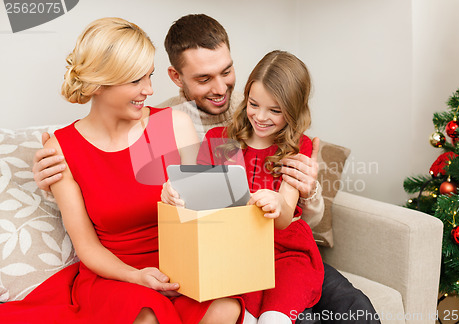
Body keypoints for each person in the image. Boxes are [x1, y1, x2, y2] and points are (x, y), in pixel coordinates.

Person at [32, 14, 380, 324]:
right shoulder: (68, 148)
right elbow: (91, 241)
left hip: (259, 248)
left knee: (354, 308)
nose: (220, 88)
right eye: (203, 78)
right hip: (143, 268)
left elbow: (221, 206)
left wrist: (311, 190)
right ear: (178, 78)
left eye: (226, 72)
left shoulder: (237, 110)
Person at [1, 17, 243, 324]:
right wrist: (136, 276)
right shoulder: (61, 149)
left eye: (150, 76)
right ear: (99, 84)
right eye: (135, 81)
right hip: (116, 275)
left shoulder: (174, 124)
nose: (149, 90)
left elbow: (206, 216)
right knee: (147, 316)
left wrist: (189, 198)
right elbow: (86, 245)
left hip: (182, 268)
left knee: (225, 308)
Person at [162, 50, 325, 324]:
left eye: (275, 110)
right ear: (246, 96)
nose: (260, 117)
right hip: (234, 250)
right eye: (253, 104)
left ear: (294, 111)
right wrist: (174, 194)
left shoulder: (298, 146)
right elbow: (199, 203)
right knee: (242, 316)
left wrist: (276, 202)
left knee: (275, 318)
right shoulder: (220, 139)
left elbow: (285, 219)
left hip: (286, 254)